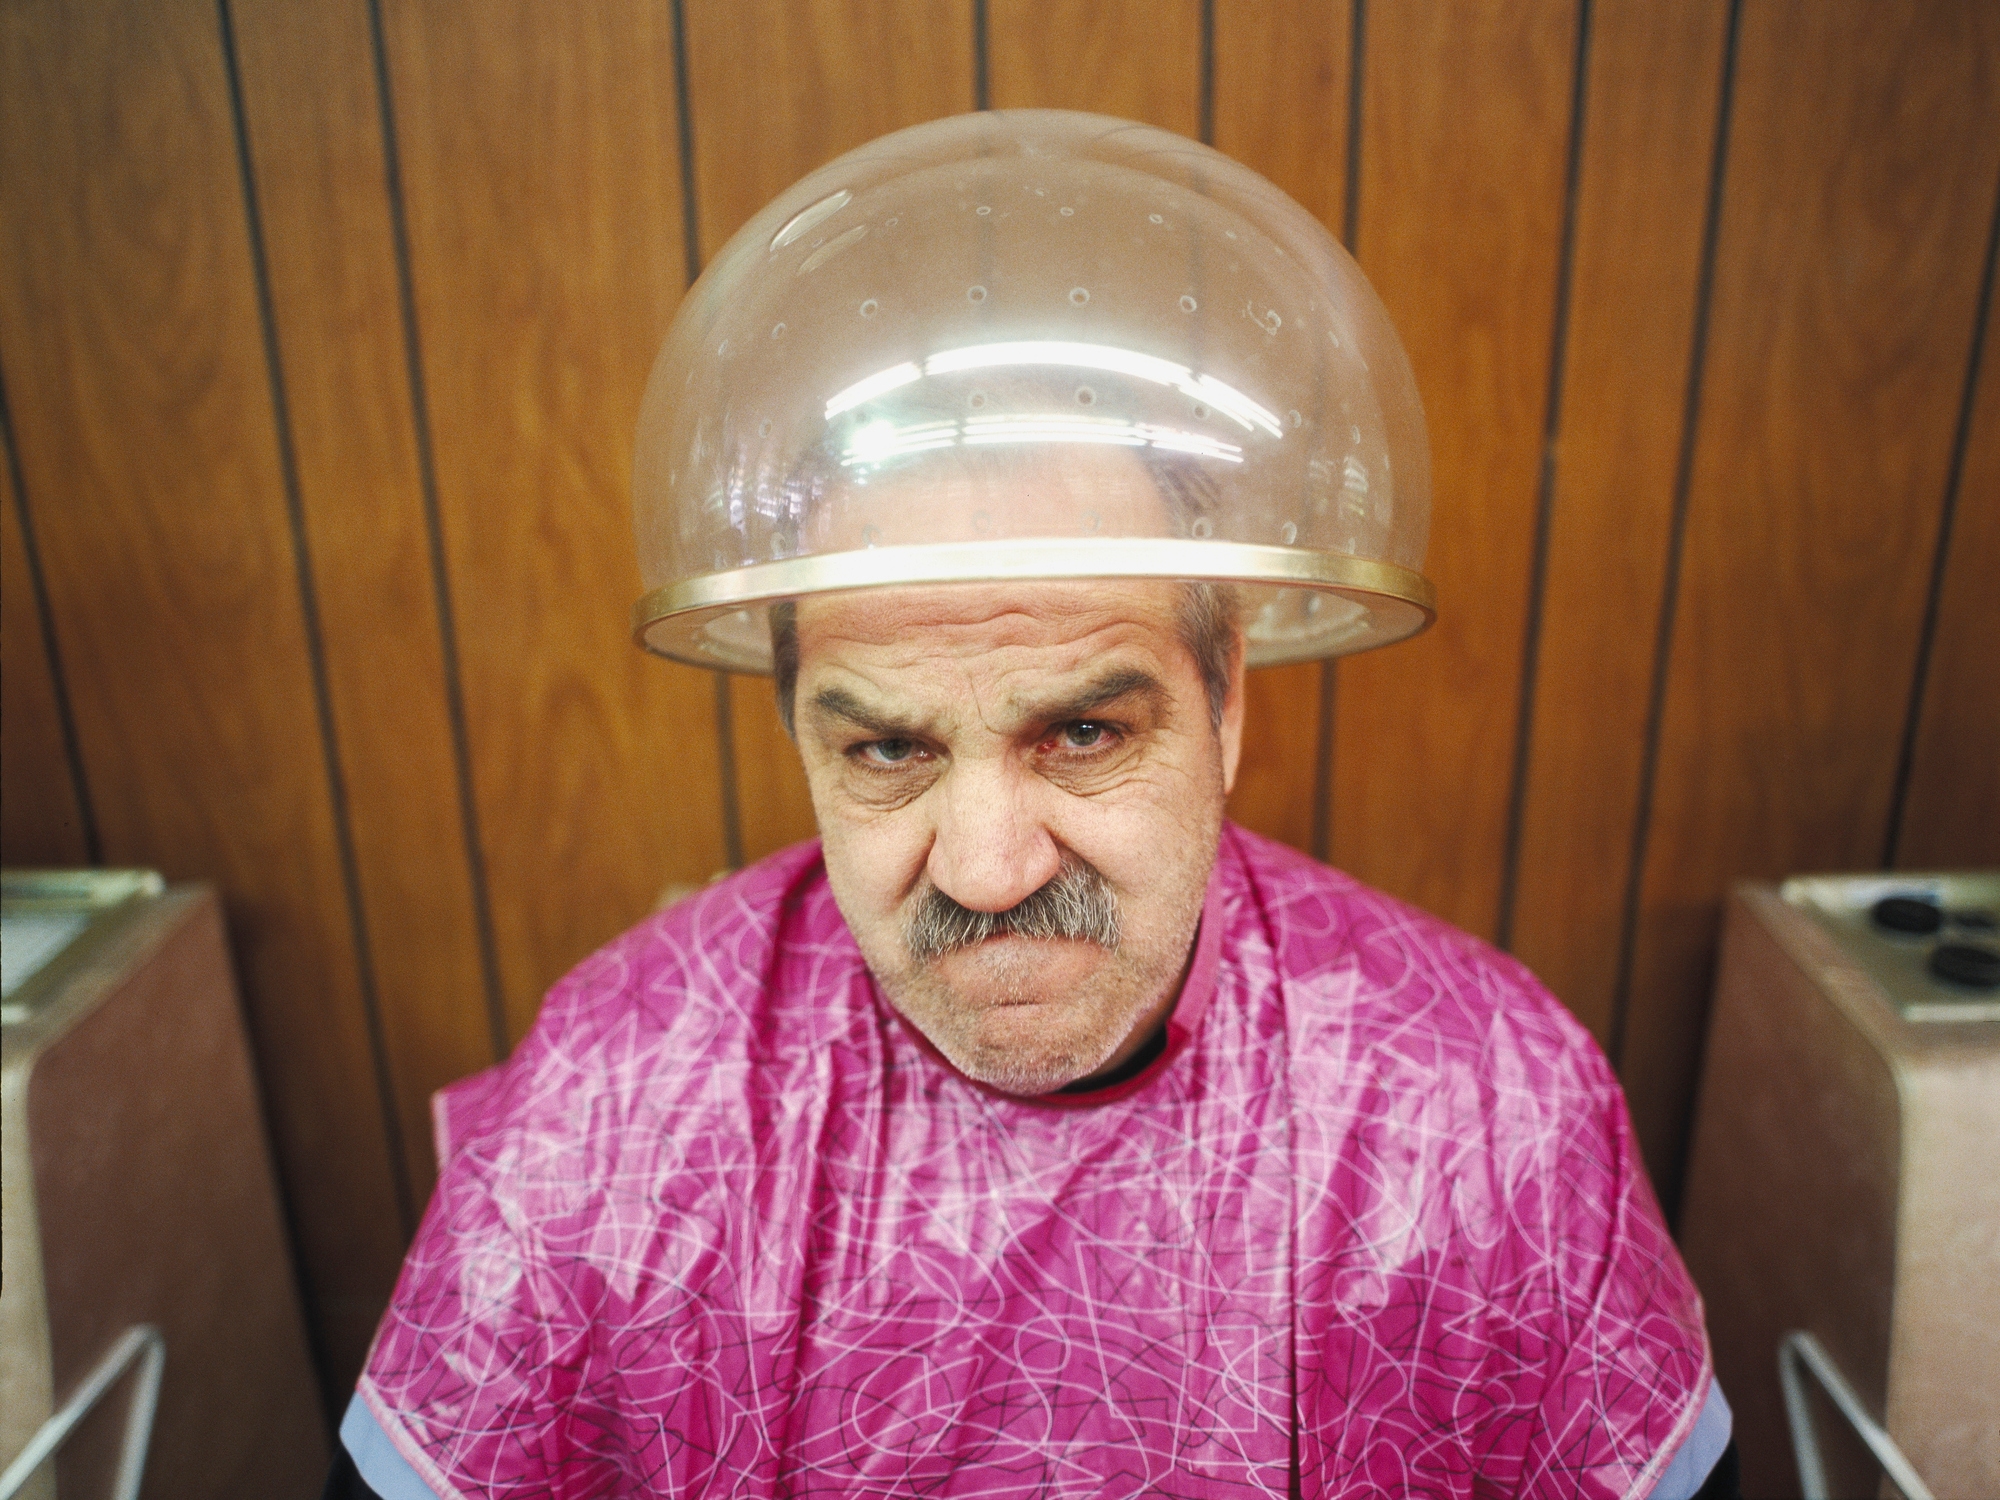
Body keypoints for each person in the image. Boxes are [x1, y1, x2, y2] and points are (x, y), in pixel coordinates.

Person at [329, 111, 1735, 1499]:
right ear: (795, 729)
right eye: (888, 752)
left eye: (1080, 732)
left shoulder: (1489, 1113)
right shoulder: (612, 1110)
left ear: (1226, 696)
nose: (990, 869)